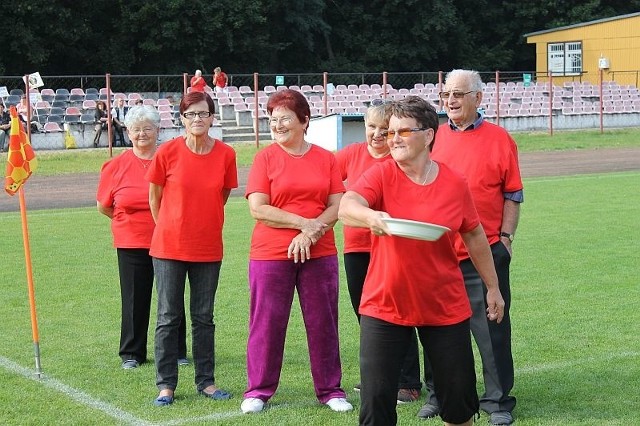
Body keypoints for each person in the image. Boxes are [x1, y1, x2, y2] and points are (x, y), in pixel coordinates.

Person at [338, 95, 505, 426]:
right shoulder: (381, 174)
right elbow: (347, 206)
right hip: (385, 302)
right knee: (376, 404)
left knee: (458, 402)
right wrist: (370, 217)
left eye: (403, 132)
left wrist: (493, 287)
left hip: (442, 304)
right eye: (390, 133)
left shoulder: (453, 183)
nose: (393, 140)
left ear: (429, 134)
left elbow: (474, 235)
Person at [420, 69, 523, 426]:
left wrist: (506, 240)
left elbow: (513, 194)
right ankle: (437, 396)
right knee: (435, 327)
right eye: (446, 94)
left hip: (486, 251)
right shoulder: (431, 138)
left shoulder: (500, 139)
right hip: (437, 251)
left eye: (458, 94)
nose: (450, 100)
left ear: (478, 98)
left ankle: (497, 403)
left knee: (491, 329)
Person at [241, 88, 352, 414]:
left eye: (284, 119)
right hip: (270, 252)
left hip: (319, 252)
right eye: (273, 120)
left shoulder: (326, 158)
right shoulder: (265, 158)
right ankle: (258, 390)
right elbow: (258, 208)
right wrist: (306, 224)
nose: (277, 125)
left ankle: (331, 390)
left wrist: (311, 232)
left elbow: (337, 205)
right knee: (266, 322)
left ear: (305, 120)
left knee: (323, 322)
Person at [147, 91, 237, 407]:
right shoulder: (167, 152)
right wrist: (172, 227)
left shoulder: (226, 154)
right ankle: (166, 385)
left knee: (203, 317)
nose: (197, 119)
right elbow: (154, 198)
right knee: (168, 316)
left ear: (212, 117)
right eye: (190, 114)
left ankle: (206, 382)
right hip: (169, 247)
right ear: (182, 119)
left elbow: (221, 195)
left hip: (208, 248)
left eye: (202, 113)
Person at [335, 100, 422, 403]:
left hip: (389, 248)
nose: (375, 134)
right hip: (355, 247)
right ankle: (380, 378)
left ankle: (408, 382)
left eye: (383, 130)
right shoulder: (350, 156)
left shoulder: (400, 161)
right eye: (371, 127)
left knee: (399, 313)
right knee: (367, 316)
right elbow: (325, 182)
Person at [96, 105, 189, 370]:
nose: (142, 134)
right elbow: (104, 206)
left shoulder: (171, 159)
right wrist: (128, 223)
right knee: (135, 298)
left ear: (158, 131)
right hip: (131, 242)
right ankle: (132, 353)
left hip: (169, 239)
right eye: (136, 129)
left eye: (148, 128)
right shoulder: (115, 166)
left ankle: (176, 351)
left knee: (171, 297)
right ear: (128, 132)